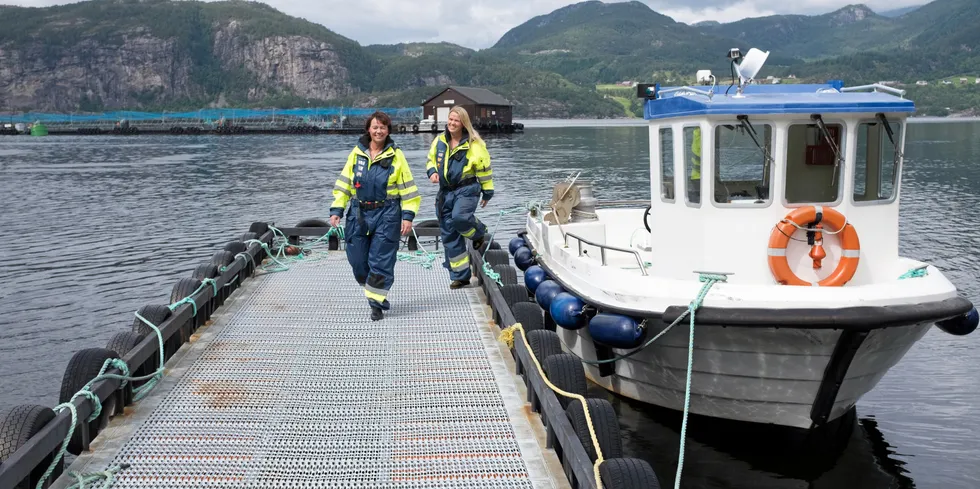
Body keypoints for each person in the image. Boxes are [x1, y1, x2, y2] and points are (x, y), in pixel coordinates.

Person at [329, 111, 421, 321]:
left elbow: (408, 190)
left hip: (387, 213)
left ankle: (375, 304)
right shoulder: (356, 153)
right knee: (358, 261)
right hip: (358, 213)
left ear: (388, 130)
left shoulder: (397, 156)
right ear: (368, 130)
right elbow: (344, 184)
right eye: (375, 127)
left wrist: (407, 216)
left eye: (383, 127)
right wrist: (337, 210)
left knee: (381, 260)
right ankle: (375, 293)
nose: (378, 131)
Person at [426, 106, 494, 289]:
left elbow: (484, 170)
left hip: (467, 189)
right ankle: (460, 276)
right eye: (450, 119)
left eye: (456, 120)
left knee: (460, 218)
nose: (452, 123)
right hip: (445, 192)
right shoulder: (439, 141)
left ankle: (479, 231)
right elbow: (430, 160)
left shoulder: (474, 144)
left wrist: (487, 192)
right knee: (449, 234)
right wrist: (432, 172)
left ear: (463, 123)